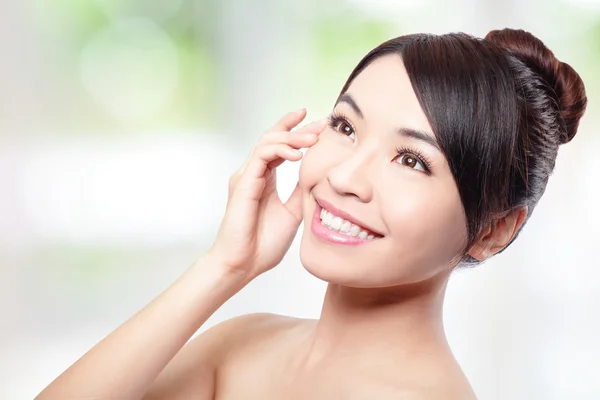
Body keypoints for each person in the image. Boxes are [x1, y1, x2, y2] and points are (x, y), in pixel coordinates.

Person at [36, 28, 587, 400]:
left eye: (413, 160)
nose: (343, 177)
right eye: (346, 127)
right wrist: (225, 267)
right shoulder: (243, 344)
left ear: (492, 231)